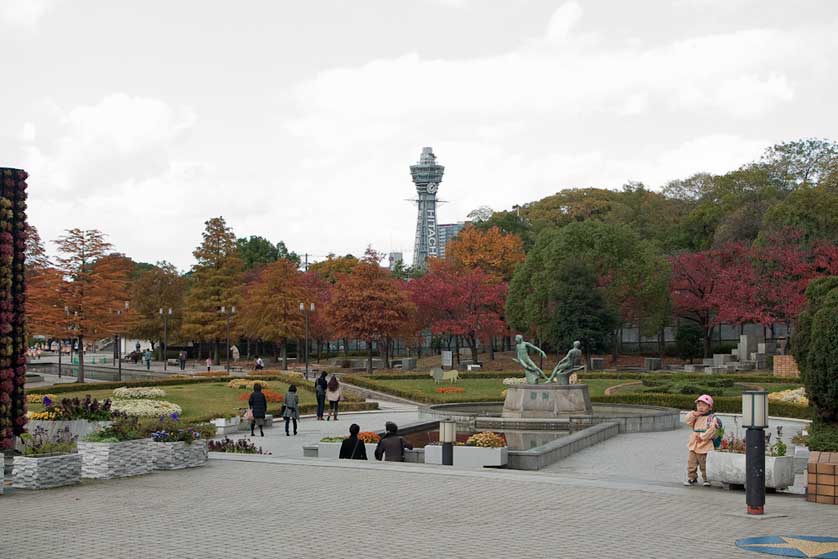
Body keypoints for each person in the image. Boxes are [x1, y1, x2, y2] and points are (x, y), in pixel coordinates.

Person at [684, 394, 719, 486]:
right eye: (699, 405)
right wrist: (693, 413)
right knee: (691, 463)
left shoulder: (711, 418)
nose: (700, 408)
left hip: (704, 444)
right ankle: (692, 477)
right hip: (694, 443)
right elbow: (687, 420)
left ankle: (706, 478)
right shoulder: (696, 416)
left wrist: (703, 437)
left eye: (704, 405)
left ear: (710, 407)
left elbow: (712, 429)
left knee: (704, 463)